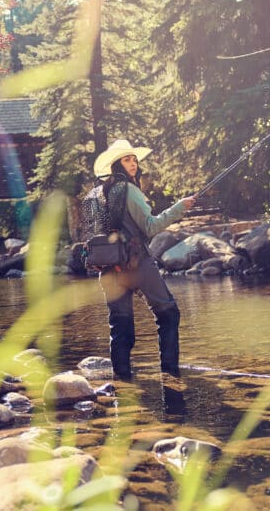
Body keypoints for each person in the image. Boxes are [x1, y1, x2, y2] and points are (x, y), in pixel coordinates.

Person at [92, 139, 197, 380]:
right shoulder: (129, 190)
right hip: (137, 264)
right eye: (127, 159)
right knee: (169, 314)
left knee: (119, 325)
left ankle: (122, 382)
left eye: (134, 160)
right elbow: (150, 227)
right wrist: (179, 207)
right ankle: (170, 375)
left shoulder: (99, 194)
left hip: (108, 269)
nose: (133, 164)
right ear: (117, 164)